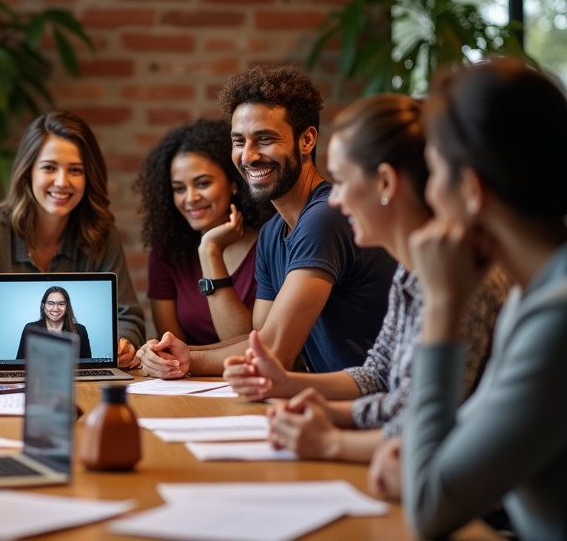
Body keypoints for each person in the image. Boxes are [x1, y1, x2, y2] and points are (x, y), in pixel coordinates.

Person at [222, 94, 508, 463]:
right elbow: (379, 376)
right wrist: (291, 386)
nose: (335, 200)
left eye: (341, 181)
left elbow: (422, 428)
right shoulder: (413, 271)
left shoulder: (462, 279)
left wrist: (330, 441)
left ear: (385, 184)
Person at [391, 60, 567, 541]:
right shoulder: (529, 293)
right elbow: (453, 447)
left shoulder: (557, 315)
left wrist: (444, 303)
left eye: (433, 171)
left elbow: (430, 507)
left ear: (470, 190)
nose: (428, 192)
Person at [137, 65, 395, 378]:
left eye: (264, 139)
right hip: (332, 403)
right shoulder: (274, 231)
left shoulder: (325, 217)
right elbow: (256, 338)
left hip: (374, 408)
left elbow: (274, 354)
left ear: (307, 140)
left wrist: (185, 360)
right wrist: (173, 352)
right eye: (238, 141)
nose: (248, 156)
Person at [0, 111, 145, 366]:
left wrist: (125, 342)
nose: (61, 181)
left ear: (89, 176)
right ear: (29, 171)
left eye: (76, 170)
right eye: (49, 167)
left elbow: (129, 318)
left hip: (83, 382)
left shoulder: (102, 234)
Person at [136, 118, 276, 345]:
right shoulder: (167, 252)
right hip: (187, 378)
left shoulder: (270, 244)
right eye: (179, 188)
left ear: (233, 182)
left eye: (203, 183)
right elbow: (172, 346)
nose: (190, 198)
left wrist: (210, 250)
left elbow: (247, 347)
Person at [16, 286, 92, 359]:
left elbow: (87, 365)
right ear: (43, 306)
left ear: (67, 307)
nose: (55, 308)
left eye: (61, 304)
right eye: (50, 303)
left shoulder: (80, 331)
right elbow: (19, 364)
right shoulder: (31, 329)